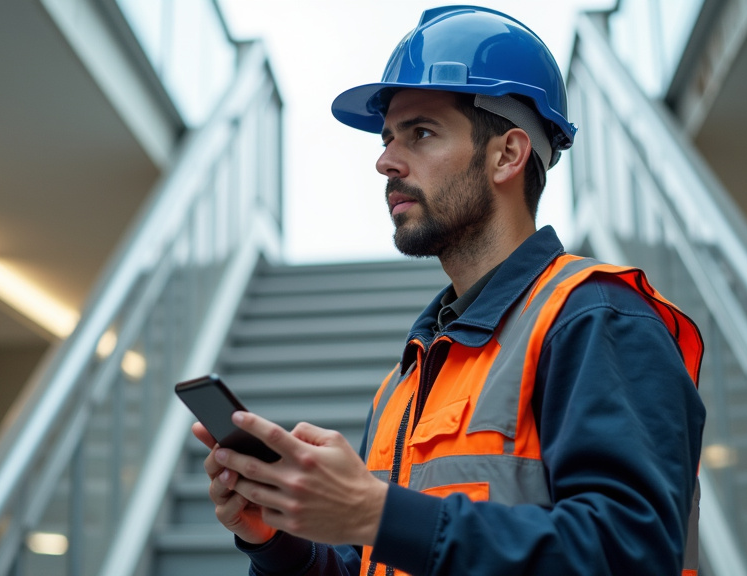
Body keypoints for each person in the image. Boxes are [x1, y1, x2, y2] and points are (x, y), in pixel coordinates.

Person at [190, 5, 705, 575]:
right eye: (387, 138)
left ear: (507, 154)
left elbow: (632, 555)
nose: (385, 161)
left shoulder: (594, 318)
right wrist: (279, 544)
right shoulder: (406, 378)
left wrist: (376, 514)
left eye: (421, 133)